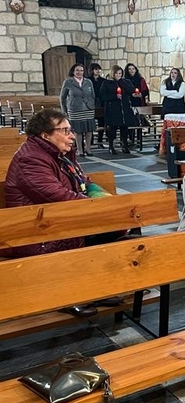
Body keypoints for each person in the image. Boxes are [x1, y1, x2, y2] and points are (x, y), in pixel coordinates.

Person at [3, 108, 120, 316]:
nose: (72, 135)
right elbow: (58, 197)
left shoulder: (60, 155)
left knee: (118, 226)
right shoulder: (30, 159)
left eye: (70, 130)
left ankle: (95, 289)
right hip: (35, 233)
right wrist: (98, 208)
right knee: (102, 226)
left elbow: (85, 183)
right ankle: (68, 295)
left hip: (59, 223)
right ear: (45, 135)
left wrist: (109, 203)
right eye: (65, 131)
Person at [99, 64, 137, 154]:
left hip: (124, 108)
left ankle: (125, 145)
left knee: (124, 128)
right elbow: (102, 96)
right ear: (113, 73)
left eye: (120, 73)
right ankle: (111, 146)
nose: (118, 75)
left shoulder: (125, 82)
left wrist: (133, 92)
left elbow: (131, 90)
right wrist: (114, 97)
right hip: (113, 109)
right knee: (112, 129)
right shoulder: (107, 83)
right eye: (116, 73)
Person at [59, 63, 96, 157]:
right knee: (78, 130)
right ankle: (80, 150)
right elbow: (62, 98)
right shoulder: (68, 82)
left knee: (89, 130)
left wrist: (91, 104)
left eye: (81, 70)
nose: (79, 72)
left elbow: (93, 95)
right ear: (73, 71)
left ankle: (88, 149)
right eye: (77, 70)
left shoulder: (88, 82)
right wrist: (64, 110)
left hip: (88, 109)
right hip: (75, 109)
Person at [88, 63, 106, 149]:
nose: (98, 71)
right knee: (90, 122)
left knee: (101, 122)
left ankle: (100, 140)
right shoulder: (88, 80)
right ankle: (90, 140)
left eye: (99, 69)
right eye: (96, 69)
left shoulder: (103, 80)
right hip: (91, 103)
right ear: (92, 70)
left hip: (101, 102)